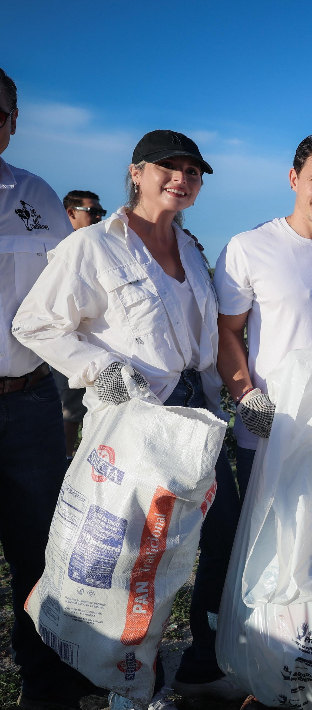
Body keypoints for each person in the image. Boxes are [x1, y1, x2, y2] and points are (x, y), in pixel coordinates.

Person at [13, 130, 244, 708]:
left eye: (193, 171)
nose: (182, 178)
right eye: (168, 167)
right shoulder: (92, 245)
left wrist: (233, 400)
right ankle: (132, 684)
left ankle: (200, 664)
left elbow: (204, 343)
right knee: (137, 562)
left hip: (195, 417)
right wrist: (99, 367)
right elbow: (35, 325)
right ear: (136, 172)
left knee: (219, 539)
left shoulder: (191, 248)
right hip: (136, 421)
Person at [0, 65, 99, 710]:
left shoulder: (35, 194)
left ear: (9, 123)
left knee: (39, 556)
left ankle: (50, 690)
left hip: (27, 403)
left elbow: (81, 295)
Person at [212, 135, 312, 496]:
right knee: (271, 544)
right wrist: (246, 397)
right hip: (271, 423)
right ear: (294, 179)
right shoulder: (249, 246)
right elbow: (226, 331)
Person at [51, 190, 105, 457]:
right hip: (66, 342)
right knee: (70, 410)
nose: (98, 216)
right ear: (70, 213)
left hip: (96, 345)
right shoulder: (58, 249)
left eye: (100, 212)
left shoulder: (100, 248)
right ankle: (62, 469)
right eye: (92, 211)